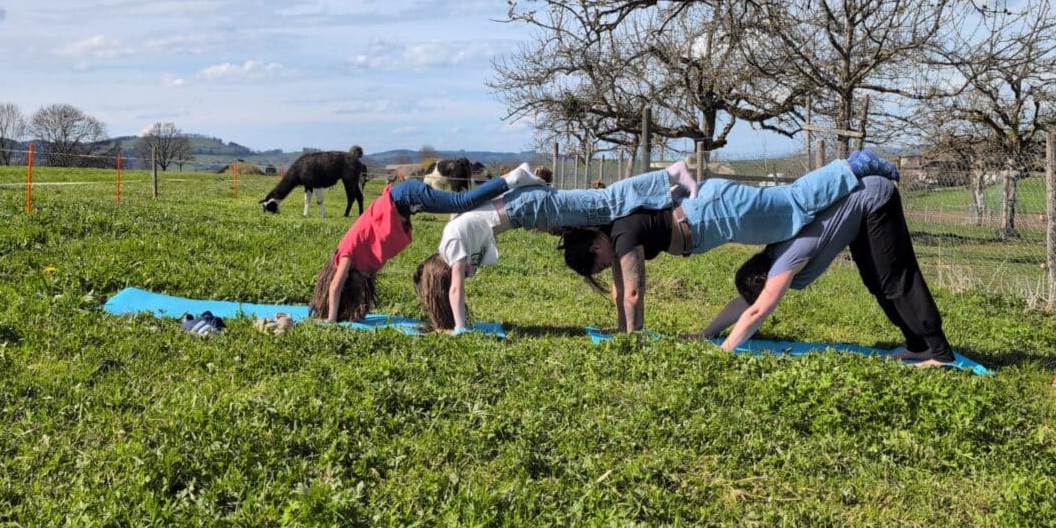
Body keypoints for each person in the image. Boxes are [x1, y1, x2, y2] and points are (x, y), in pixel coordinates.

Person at [558, 149, 901, 332]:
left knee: (791, 205)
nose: (607, 266)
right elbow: (621, 290)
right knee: (789, 212)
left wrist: (632, 340)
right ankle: (848, 190)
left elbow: (633, 291)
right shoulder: (617, 234)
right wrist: (624, 331)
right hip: (711, 216)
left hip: (716, 213)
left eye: (600, 262)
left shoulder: (623, 233)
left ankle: (853, 166)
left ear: (594, 244)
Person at [414, 161, 700, 332]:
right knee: (608, 208)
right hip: (528, 208)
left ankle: (671, 174)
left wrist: (461, 329)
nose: (462, 276)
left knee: (607, 202)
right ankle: (666, 193)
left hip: (530, 209)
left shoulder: (451, 244)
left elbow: (455, 289)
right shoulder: (453, 238)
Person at [702, 175, 956, 366]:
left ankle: (941, 353)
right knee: (876, 282)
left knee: (896, 281)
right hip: (861, 210)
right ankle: (918, 346)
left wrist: (724, 352)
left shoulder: (784, 262)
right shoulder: (770, 257)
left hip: (876, 197)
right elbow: (745, 303)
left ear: (764, 280)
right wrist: (704, 334)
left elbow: (757, 309)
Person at [308, 163, 546, 321]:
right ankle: (513, 189)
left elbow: (335, 286)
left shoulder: (347, 253)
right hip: (405, 202)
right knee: (465, 206)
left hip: (406, 197)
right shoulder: (360, 262)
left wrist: (330, 321)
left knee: (461, 202)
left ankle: (516, 176)